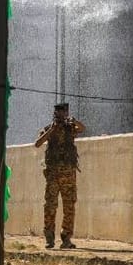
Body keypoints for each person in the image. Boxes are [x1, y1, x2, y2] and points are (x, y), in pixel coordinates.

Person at [34, 102, 87, 249]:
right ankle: (49, 238)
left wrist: (74, 121)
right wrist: (52, 130)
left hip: (68, 174)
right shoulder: (49, 128)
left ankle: (66, 238)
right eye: (59, 113)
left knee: (69, 206)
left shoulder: (70, 128)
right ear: (55, 114)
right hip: (52, 175)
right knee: (50, 206)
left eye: (64, 112)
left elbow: (83, 128)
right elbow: (38, 143)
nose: (61, 115)